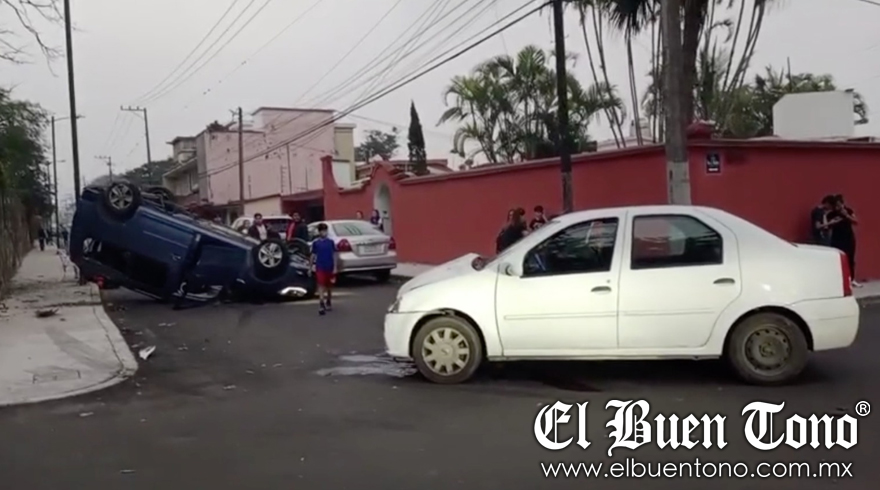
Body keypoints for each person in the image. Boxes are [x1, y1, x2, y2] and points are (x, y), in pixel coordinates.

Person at [827, 194, 860, 287]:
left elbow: (856, 221)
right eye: (836, 205)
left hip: (848, 237)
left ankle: (852, 279)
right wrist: (833, 222)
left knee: (850, 258)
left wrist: (846, 215)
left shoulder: (849, 211)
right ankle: (838, 279)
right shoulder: (831, 214)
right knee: (838, 259)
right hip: (837, 238)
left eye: (840, 204)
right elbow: (827, 226)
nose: (838, 207)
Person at [310, 223, 338, 315]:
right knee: (321, 285)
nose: (324, 233)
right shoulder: (316, 243)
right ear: (319, 232)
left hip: (329, 266)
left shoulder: (330, 242)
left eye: (325, 231)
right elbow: (313, 255)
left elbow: (334, 255)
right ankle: (321, 303)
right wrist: (310, 267)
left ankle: (328, 300)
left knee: (329, 286)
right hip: (320, 266)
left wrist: (335, 267)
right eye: (322, 231)